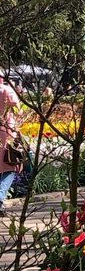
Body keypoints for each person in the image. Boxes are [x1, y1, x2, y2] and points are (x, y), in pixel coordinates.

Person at [0, 75, 22, 215]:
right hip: (6, 131)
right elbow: (18, 111)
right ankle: (0, 198)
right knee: (10, 166)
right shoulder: (7, 91)